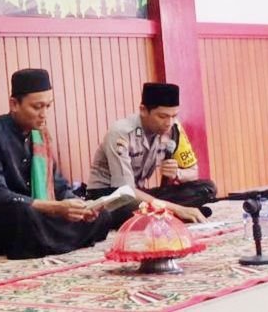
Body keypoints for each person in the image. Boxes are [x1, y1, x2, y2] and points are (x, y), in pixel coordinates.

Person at [0, 68, 113, 259]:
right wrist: (55, 208)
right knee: (24, 214)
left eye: (48, 106)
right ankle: (57, 241)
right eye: (37, 107)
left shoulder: (41, 135)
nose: (44, 114)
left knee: (102, 216)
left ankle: (46, 243)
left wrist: (80, 207)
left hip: (37, 216)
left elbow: (59, 187)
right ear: (14, 104)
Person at [87, 82, 216, 222]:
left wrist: (177, 174)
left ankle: (159, 213)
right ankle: (170, 213)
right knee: (123, 207)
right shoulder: (121, 133)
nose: (169, 123)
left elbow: (193, 173)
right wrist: (178, 209)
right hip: (112, 197)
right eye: (162, 116)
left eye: (174, 116)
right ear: (143, 110)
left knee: (206, 189)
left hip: (140, 194)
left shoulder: (173, 130)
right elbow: (125, 191)